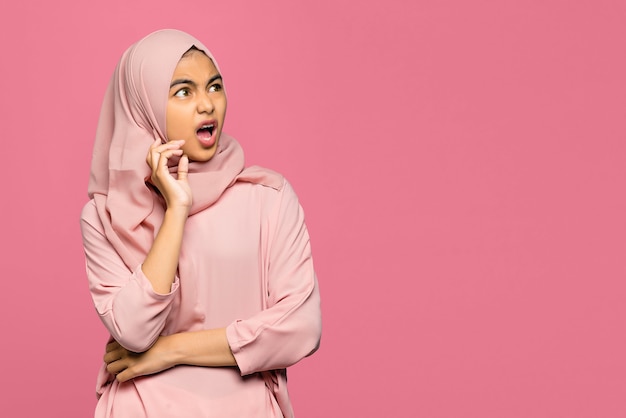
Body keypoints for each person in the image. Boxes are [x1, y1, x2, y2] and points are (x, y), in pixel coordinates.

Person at [80, 28, 322, 418]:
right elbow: (134, 331)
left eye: (214, 86)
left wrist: (170, 351)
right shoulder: (106, 216)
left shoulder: (267, 196)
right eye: (183, 92)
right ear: (144, 107)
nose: (207, 105)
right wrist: (176, 208)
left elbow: (301, 328)